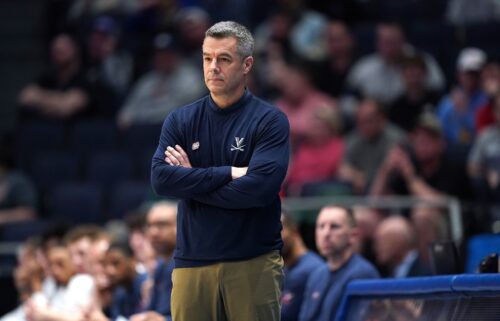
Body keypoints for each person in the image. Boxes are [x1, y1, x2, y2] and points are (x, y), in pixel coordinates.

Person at [150, 21, 290, 321]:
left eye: (224, 59)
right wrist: (228, 173)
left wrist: (190, 180)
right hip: (192, 263)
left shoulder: (270, 121)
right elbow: (161, 180)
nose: (213, 67)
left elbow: (259, 190)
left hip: (252, 260)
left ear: (247, 64)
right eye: (207, 58)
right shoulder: (180, 120)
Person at [299, 206, 379, 321]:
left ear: (353, 236)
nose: (326, 233)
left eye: (334, 227)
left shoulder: (363, 274)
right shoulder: (316, 274)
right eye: (321, 226)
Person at [116, 32, 206, 129]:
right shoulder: (148, 80)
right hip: (143, 131)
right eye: (159, 54)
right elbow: (129, 108)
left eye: (167, 54)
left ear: (177, 55)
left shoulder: (191, 78)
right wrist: (126, 118)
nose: (163, 58)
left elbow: (179, 112)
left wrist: (144, 116)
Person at [338, 99, 405, 194]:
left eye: (368, 121)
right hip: (362, 190)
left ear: (381, 119)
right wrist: (354, 175)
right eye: (360, 121)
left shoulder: (396, 139)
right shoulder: (353, 139)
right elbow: (342, 169)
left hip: (390, 192)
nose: (364, 126)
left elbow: (393, 174)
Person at [129, 201, 177, 321]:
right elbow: (152, 312)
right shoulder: (161, 266)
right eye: (149, 226)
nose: (153, 232)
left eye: (162, 225)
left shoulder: (188, 265)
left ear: (181, 225)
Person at [280, 212, 323, 321]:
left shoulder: (315, 269)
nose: (274, 238)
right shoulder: (282, 270)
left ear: (294, 230)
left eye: (279, 230)